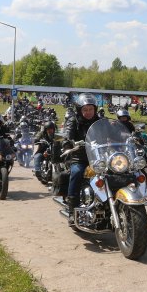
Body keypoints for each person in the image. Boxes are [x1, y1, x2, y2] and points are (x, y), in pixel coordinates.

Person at [63, 93, 100, 225]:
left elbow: (111, 130)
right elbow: (67, 135)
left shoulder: (100, 120)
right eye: (85, 109)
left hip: (99, 158)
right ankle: (72, 210)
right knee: (77, 173)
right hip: (79, 157)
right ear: (80, 110)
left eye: (91, 109)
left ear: (95, 109)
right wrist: (68, 143)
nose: (88, 112)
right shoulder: (74, 121)